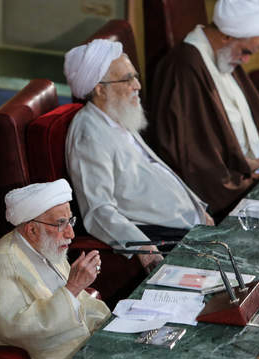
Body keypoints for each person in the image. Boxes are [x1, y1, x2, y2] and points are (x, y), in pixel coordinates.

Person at [63, 39, 214, 273]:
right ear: (100, 89)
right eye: (127, 79)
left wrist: (198, 210)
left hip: (189, 227)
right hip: (162, 238)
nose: (137, 85)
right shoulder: (88, 134)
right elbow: (98, 210)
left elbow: (154, 170)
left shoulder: (115, 115)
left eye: (135, 77)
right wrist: (143, 248)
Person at [147, 0, 259, 221]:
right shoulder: (184, 66)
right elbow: (190, 152)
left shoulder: (224, 54)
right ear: (225, 35)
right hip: (230, 188)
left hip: (256, 167)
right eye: (246, 52)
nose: (246, 61)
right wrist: (249, 172)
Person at [0, 179, 111, 359]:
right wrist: (73, 287)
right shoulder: (2, 265)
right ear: (32, 230)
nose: (71, 234)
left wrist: (109, 326)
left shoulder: (46, 247)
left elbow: (77, 302)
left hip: (66, 351)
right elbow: (23, 333)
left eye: (70, 221)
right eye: (60, 224)